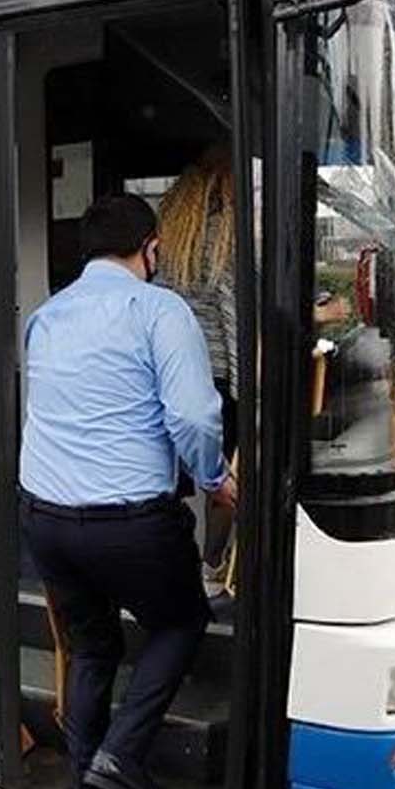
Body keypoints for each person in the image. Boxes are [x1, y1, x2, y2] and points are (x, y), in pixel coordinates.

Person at [20, 193, 235, 789]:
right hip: (132, 522)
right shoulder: (160, 310)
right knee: (181, 621)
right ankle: (118, 755)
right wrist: (215, 479)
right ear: (150, 249)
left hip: (46, 519)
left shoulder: (47, 316)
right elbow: (195, 417)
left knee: (93, 647)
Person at [155, 148, 241, 582]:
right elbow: (231, 315)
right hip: (216, 374)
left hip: (170, 370)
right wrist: (250, 394)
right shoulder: (221, 236)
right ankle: (211, 568)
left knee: (171, 472)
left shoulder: (171, 238)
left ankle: (170, 560)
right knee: (220, 479)